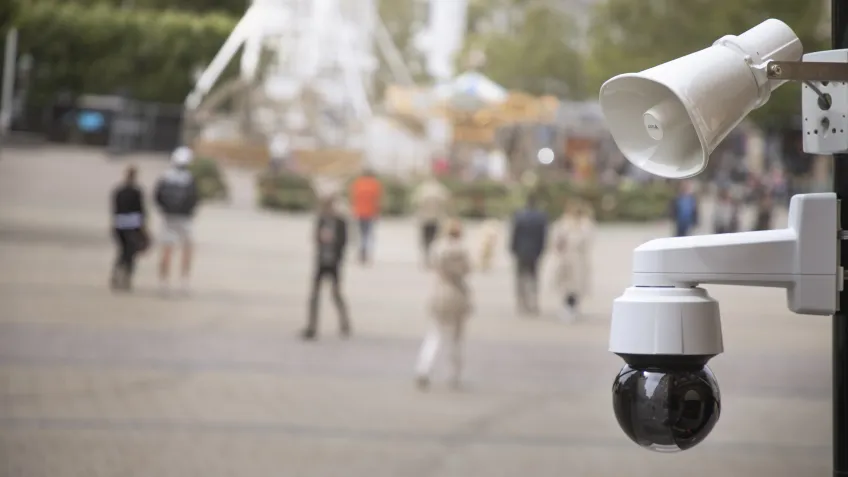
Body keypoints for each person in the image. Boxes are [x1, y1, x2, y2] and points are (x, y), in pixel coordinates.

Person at [414, 219, 473, 390]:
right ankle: (454, 374)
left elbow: (431, 266)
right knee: (456, 338)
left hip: (440, 293)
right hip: (458, 294)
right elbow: (468, 270)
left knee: (435, 334)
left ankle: (423, 368)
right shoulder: (463, 250)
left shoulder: (438, 248)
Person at [302, 195, 351, 340]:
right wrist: (319, 238)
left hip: (334, 263)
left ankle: (345, 322)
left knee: (336, 294)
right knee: (314, 295)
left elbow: (344, 242)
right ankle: (312, 326)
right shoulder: (321, 220)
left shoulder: (341, 222)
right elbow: (315, 237)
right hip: (321, 262)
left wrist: (335, 244)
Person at [155, 146, 199, 294]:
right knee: (187, 248)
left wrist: (165, 209)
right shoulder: (189, 179)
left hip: (169, 217)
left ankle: (163, 281)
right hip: (185, 218)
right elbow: (194, 198)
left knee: (167, 249)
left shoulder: (166, 177)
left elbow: (157, 196)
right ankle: (184, 281)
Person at [551, 201, 594, 322]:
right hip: (565, 259)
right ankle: (567, 306)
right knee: (565, 284)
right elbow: (556, 239)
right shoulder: (562, 223)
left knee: (576, 285)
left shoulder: (585, 225)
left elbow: (587, 241)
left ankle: (573, 306)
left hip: (578, 259)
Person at [110, 165, 148, 290]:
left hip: (120, 223)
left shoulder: (118, 191)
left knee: (122, 250)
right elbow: (141, 211)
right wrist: (144, 228)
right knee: (131, 253)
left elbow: (114, 209)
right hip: (133, 224)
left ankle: (117, 272)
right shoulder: (137, 192)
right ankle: (127, 276)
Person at [509, 194, 548, 316]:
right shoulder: (541, 217)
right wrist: (541, 250)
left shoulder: (519, 216)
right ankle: (533, 302)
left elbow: (514, 234)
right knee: (533, 277)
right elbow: (543, 237)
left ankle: (521, 302)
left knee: (521, 277)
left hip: (521, 250)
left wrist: (512, 249)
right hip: (534, 251)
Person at [411, 177, 451, 267]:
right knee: (435, 239)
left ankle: (427, 257)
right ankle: (433, 257)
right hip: (436, 219)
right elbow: (446, 200)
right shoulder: (439, 189)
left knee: (425, 239)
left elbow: (415, 201)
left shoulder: (423, 189)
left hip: (424, 219)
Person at [349, 169, 383, 265]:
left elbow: (353, 198)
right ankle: (366, 253)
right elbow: (377, 200)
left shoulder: (358, 184)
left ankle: (361, 252)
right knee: (368, 234)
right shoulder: (375, 184)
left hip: (359, 212)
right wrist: (377, 213)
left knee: (360, 234)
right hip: (370, 212)